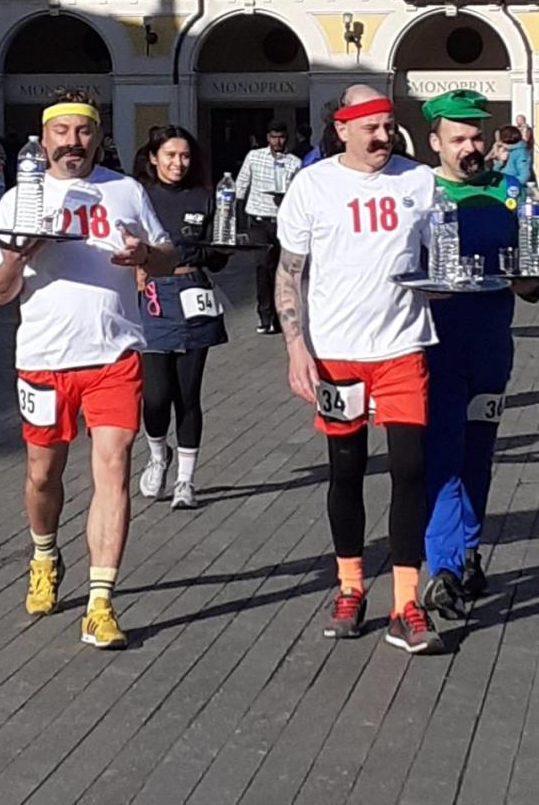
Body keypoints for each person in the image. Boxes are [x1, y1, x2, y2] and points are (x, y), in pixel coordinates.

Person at [0, 89, 177, 649]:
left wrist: (145, 256)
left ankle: (100, 603)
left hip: (115, 355)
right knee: (43, 475)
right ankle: (44, 554)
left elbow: (166, 255)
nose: (74, 143)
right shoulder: (20, 198)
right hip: (44, 359)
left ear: (99, 136)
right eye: (62, 132)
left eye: (84, 132)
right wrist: (24, 251)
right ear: (44, 139)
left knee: (113, 470)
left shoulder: (125, 190)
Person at [275, 84, 444, 655]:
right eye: (369, 126)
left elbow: (439, 257)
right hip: (336, 354)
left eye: (388, 125)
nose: (382, 136)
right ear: (341, 129)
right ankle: (349, 587)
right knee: (345, 471)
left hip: (402, 348)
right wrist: (297, 349)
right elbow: (289, 272)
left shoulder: (419, 181)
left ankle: (406, 601)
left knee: (410, 469)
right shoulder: (312, 184)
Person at [420, 90, 539, 618]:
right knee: (440, 453)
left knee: (478, 452)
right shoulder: (418, 193)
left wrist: (527, 278)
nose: (469, 147)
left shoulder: (512, 192)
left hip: (492, 344)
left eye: (476, 136)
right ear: (435, 142)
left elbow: (532, 285)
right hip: (432, 347)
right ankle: (442, 566)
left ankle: (468, 551)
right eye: (458, 138)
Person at [133, 125, 228, 510]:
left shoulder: (205, 197)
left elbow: (218, 257)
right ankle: (158, 454)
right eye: (170, 155)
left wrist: (208, 249)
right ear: (154, 157)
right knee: (156, 395)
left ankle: (187, 481)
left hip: (193, 295)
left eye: (185, 156)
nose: (178, 163)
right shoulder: (139, 195)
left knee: (188, 394)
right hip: (153, 297)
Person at [236, 122, 301, 334]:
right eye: (274, 137)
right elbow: (241, 185)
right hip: (258, 219)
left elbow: (298, 193)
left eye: (281, 137)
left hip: (281, 220)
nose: (278, 142)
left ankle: (280, 314)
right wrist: (238, 219)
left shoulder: (294, 163)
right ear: (268, 138)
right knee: (263, 267)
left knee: (281, 270)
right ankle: (264, 315)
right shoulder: (254, 157)